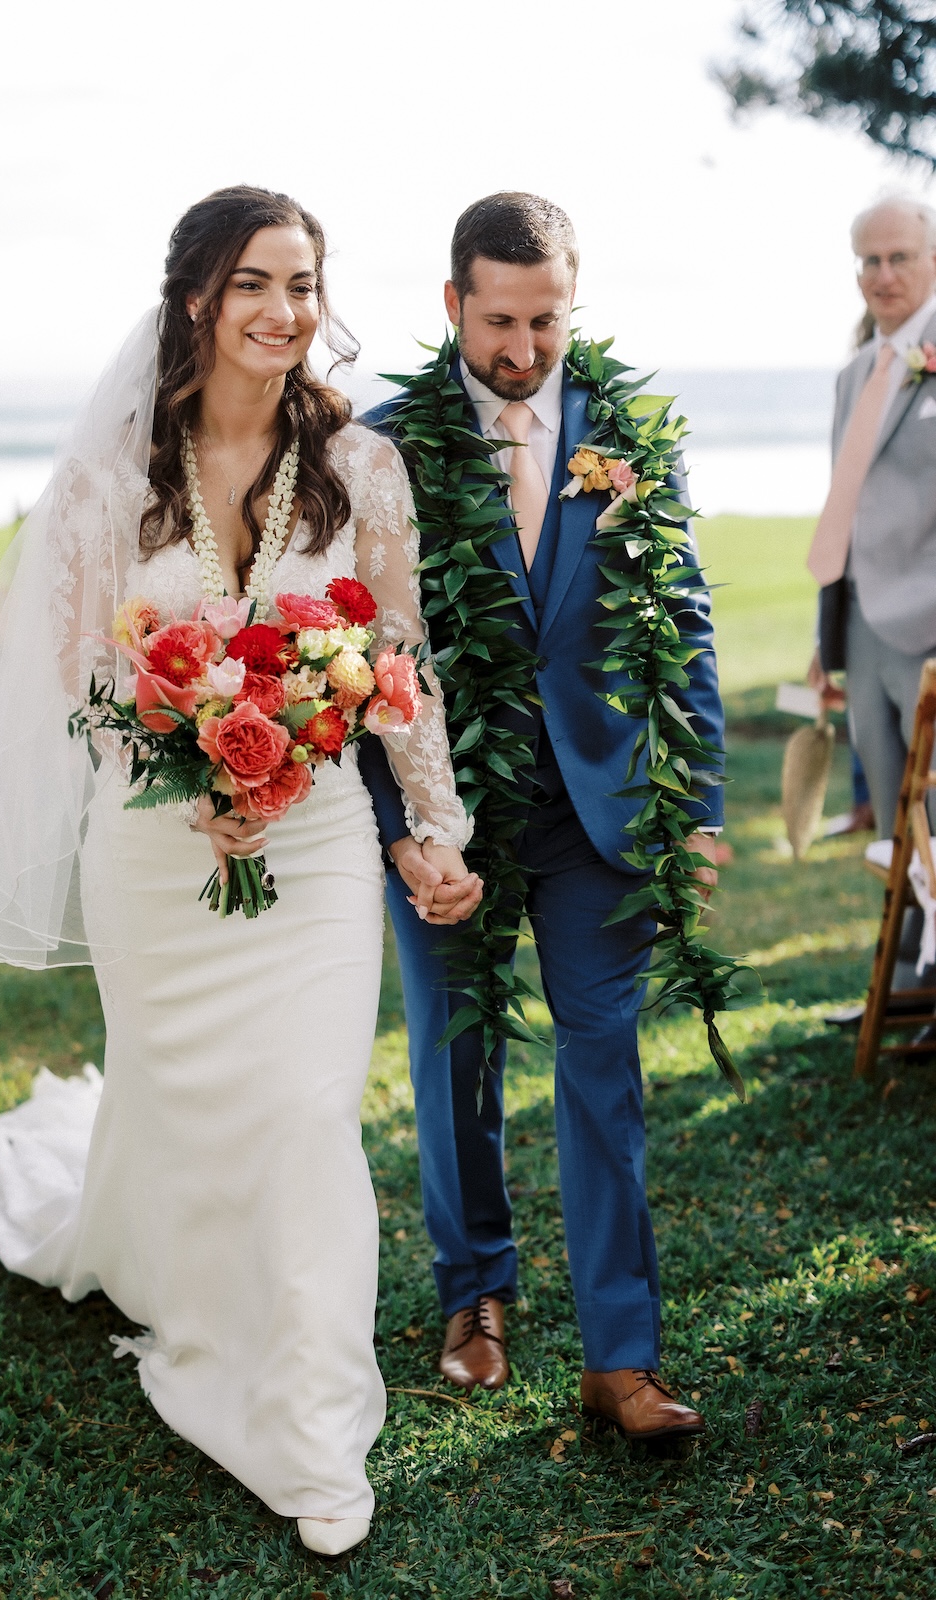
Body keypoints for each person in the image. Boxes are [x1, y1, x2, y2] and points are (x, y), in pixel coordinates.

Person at [0, 186, 477, 1557]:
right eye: (256, 282)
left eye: (304, 284)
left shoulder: (361, 467)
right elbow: (72, 683)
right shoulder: (107, 481)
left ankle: (308, 1418)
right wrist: (192, 769)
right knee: (191, 1111)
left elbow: (395, 661)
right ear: (196, 295)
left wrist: (428, 829)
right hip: (155, 847)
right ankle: (172, 1273)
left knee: (304, 1115)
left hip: (310, 849)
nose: (284, 312)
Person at [358, 192, 724, 1442]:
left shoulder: (630, 429)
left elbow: (684, 623)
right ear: (453, 303)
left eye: (546, 319)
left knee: (604, 1063)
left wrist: (703, 807)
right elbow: (347, 656)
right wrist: (401, 828)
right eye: (499, 319)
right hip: (441, 808)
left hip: (601, 811)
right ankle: (476, 1297)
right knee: (455, 1054)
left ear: (575, 299)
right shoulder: (384, 441)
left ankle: (621, 1357)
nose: (523, 350)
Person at [808, 197, 936, 842]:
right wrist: (823, 634)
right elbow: (842, 507)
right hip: (860, 631)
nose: (883, 275)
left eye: (900, 258)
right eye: (869, 261)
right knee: (892, 825)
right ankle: (910, 947)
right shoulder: (853, 374)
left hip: (931, 628)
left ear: (934, 260)